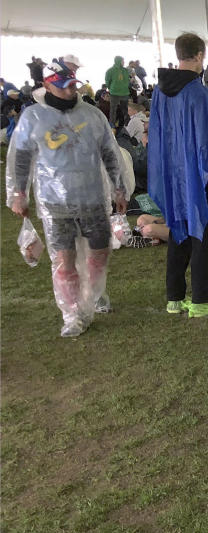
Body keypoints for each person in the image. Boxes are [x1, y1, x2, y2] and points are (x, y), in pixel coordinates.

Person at [6, 57, 128, 337]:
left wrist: (119, 188)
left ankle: (94, 295)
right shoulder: (33, 117)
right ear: (47, 84)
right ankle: (73, 311)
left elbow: (110, 153)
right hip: (54, 203)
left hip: (93, 199)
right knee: (64, 259)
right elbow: (20, 160)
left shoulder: (93, 115)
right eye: (64, 87)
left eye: (73, 86)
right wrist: (18, 193)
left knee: (99, 253)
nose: (71, 92)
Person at [149, 32, 208, 318]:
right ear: (199, 55)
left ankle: (174, 297)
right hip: (199, 173)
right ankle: (200, 299)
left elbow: (159, 134)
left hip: (173, 173)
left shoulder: (160, 91)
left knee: (178, 227)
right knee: (203, 232)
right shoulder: (199, 93)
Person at [104, 56, 130, 130]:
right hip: (114, 93)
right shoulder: (110, 70)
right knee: (113, 110)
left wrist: (125, 86)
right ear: (118, 61)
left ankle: (127, 125)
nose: (124, 62)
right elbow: (107, 81)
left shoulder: (125, 70)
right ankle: (112, 126)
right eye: (122, 61)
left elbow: (127, 80)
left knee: (125, 110)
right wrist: (111, 88)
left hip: (124, 93)